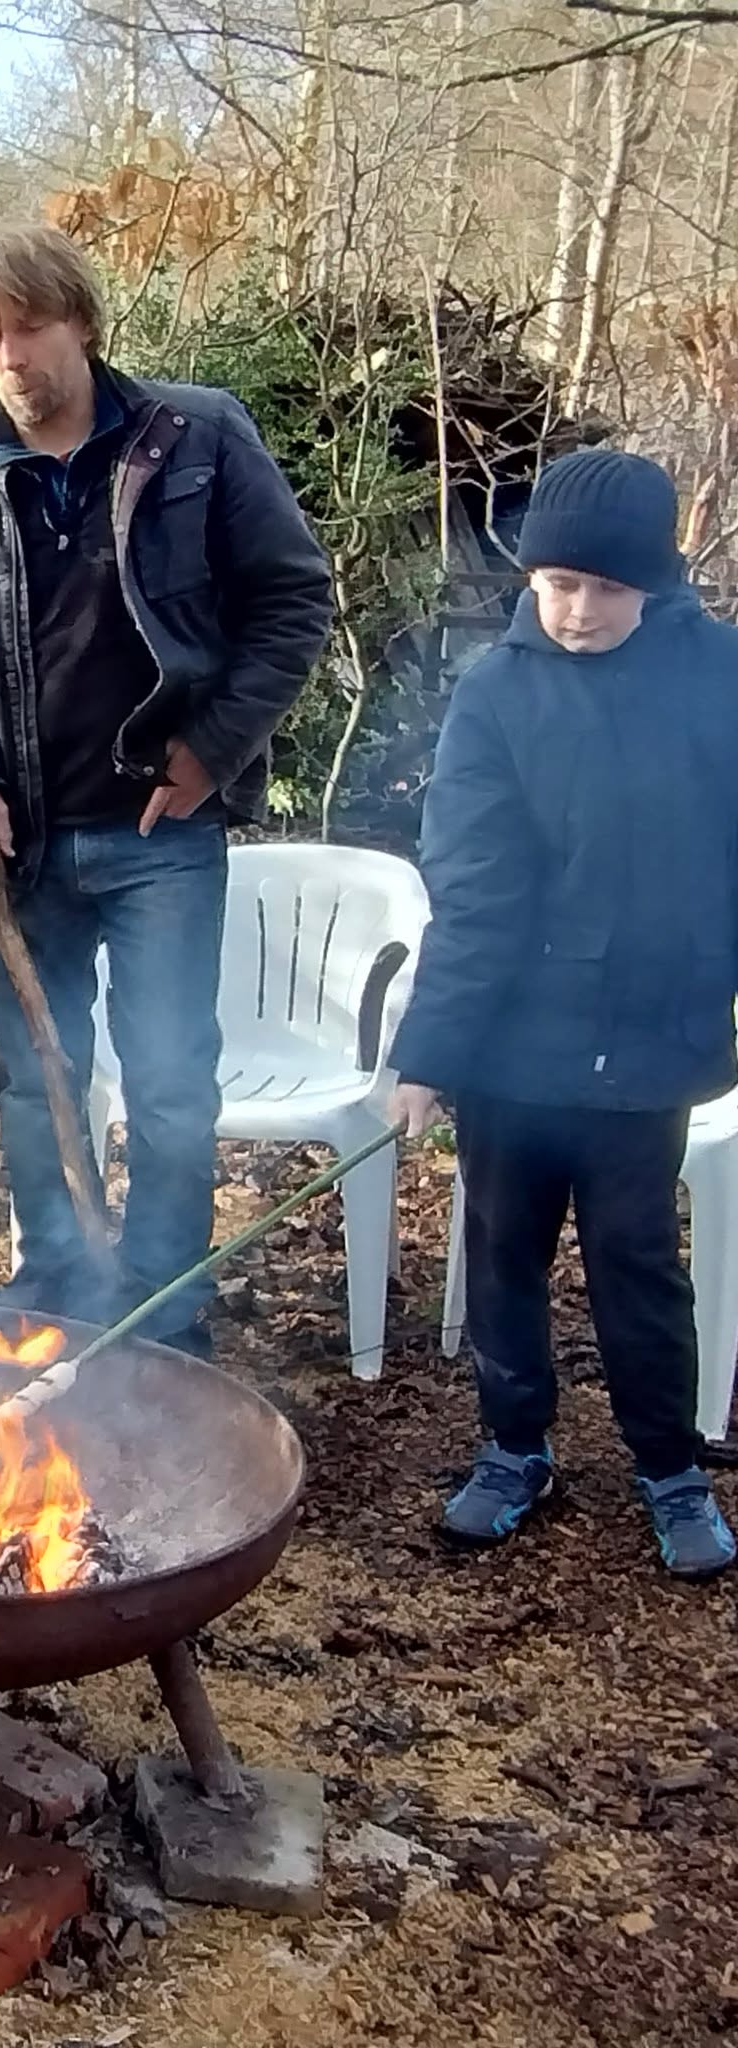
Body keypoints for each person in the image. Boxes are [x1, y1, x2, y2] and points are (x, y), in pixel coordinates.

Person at [0, 223, 333, 1351]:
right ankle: (54, 1290)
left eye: (27, 328)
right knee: (36, 1083)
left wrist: (206, 755)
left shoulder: (196, 440)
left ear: (79, 321)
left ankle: (161, 1309)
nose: (9, 356)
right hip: (19, 846)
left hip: (160, 833)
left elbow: (291, 603)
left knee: (171, 1083)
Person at [390, 447, 738, 1577]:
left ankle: (669, 1467)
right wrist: (428, 1052)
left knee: (638, 1257)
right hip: (510, 1044)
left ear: (655, 580)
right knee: (500, 1249)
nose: (576, 610)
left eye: (602, 587)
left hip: (650, 1033)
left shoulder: (715, 679)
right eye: (554, 585)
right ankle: (511, 1446)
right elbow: (473, 886)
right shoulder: (496, 691)